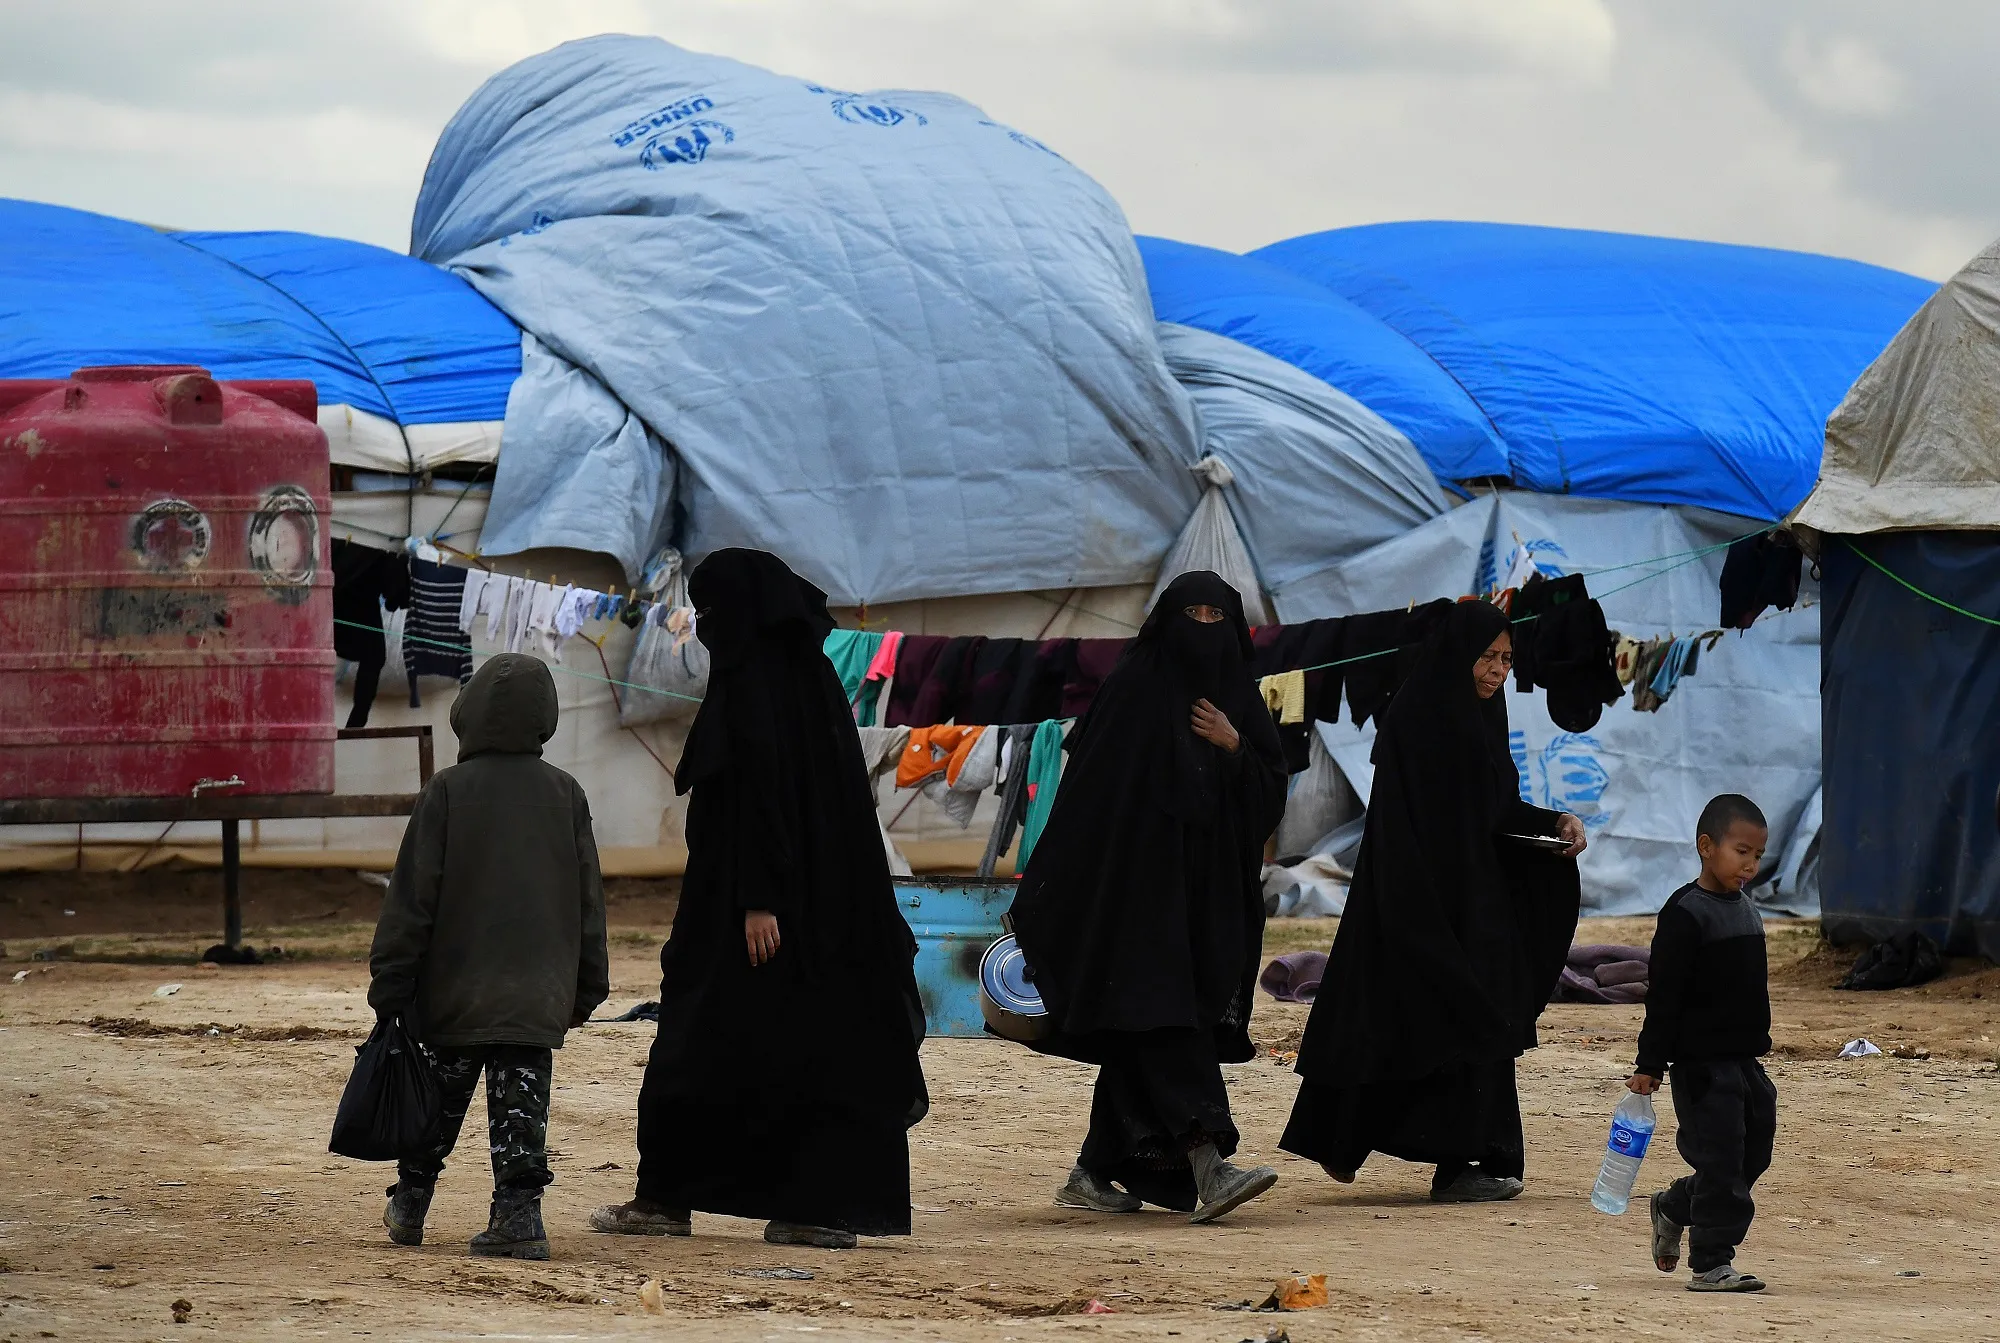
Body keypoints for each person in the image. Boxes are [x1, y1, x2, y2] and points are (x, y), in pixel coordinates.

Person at [591, 549, 928, 1250]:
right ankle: (786, 1203)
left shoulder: (754, 681)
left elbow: (768, 797)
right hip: (813, 915)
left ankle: (674, 1197)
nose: (706, 625)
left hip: (750, 912)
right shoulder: (808, 680)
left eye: (713, 611)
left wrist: (760, 898)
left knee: (698, 1044)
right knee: (786, 1049)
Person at [1006, 571, 1289, 1224]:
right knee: (1167, 1018)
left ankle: (1095, 1167)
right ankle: (1209, 1165)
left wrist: (1233, 745)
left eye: (1217, 616)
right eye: (1190, 612)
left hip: (1209, 897)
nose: (1203, 628)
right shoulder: (1134, 689)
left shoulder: (1237, 700)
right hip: (1136, 898)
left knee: (1149, 1024)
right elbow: (1090, 800)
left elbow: (1268, 795)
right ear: (1167, 619)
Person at [1279, 600, 1585, 1203]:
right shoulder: (1417, 717)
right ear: (1458, 653)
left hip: (1473, 898)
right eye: (1488, 657)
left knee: (1447, 1019)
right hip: (1414, 895)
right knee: (1410, 1017)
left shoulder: (1483, 717)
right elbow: (1408, 824)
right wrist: (1425, 906)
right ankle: (1433, 1156)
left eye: (1506, 659)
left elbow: (1495, 810)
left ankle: (1449, 1156)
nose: (1498, 670)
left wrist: (1555, 823)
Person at [369, 652, 610, 1260]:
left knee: (437, 1104)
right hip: (537, 992)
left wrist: (391, 982)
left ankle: (411, 1204)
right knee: (521, 1109)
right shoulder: (566, 794)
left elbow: (411, 898)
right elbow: (589, 900)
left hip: (455, 991)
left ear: (467, 714)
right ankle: (518, 1216)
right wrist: (587, 986)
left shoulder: (446, 791)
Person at [1629, 794, 1774, 1294]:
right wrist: (1650, 1062)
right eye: (1742, 852)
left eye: (1758, 855)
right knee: (1721, 1161)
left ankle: (1673, 1205)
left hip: (1745, 1062)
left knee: (1753, 1155)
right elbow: (1664, 995)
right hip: (1701, 1067)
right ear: (1706, 847)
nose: (1751, 865)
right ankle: (1711, 1262)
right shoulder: (1686, 914)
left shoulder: (1746, 911)